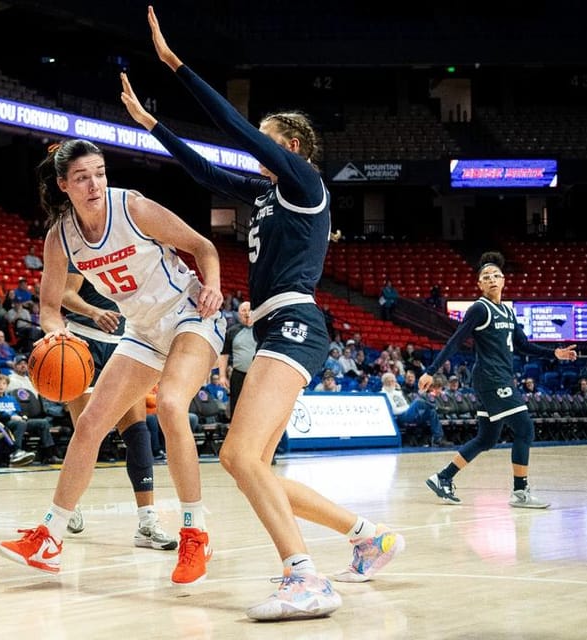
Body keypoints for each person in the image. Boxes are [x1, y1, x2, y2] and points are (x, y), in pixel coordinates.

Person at [119, 7, 403, 620]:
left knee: (241, 457)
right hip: (275, 326)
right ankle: (367, 536)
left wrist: (176, 66)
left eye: (267, 141)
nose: (256, 150)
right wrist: (153, 125)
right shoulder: (266, 194)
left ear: (293, 147)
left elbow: (235, 132)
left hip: (296, 324)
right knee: (252, 465)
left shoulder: (305, 185)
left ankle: (304, 578)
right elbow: (204, 169)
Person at [0, 137, 224, 585]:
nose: (94, 183)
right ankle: (50, 538)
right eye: (82, 177)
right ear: (64, 184)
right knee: (91, 423)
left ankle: (195, 532)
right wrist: (56, 333)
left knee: (173, 405)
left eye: (99, 173)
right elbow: (48, 308)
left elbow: (204, 247)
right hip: (141, 330)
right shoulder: (60, 237)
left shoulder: (133, 208)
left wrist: (212, 284)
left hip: (189, 314)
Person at [421, 251, 577, 508]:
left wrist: (555, 354)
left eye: (496, 275)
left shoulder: (507, 310)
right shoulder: (480, 308)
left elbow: (523, 345)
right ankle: (520, 492)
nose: (491, 278)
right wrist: (431, 369)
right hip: (491, 379)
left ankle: (443, 477)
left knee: (487, 439)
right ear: (479, 284)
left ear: (504, 280)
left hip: (499, 379)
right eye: (486, 276)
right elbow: (456, 340)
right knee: (525, 429)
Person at [60, 266, 177, 551]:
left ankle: (147, 522)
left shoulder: (134, 254)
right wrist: (93, 311)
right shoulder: (82, 253)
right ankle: (67, 503)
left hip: (125, 345)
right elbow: (65, 294)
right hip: (83, 342)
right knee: (87, 435)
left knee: (138, 432)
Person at [381, 372, 452, 447]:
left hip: (408, 413)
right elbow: (393, 411)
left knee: (431, 412)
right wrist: (407, 410)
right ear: (384, 382)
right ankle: (437, 408)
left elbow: (406, 404)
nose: (391, 383)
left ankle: (438, 439)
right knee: (418, 401)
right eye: (388, 381)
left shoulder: (398, 393)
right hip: (399, 417)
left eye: (393, 381)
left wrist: (408, 409)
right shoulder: (383, 394)